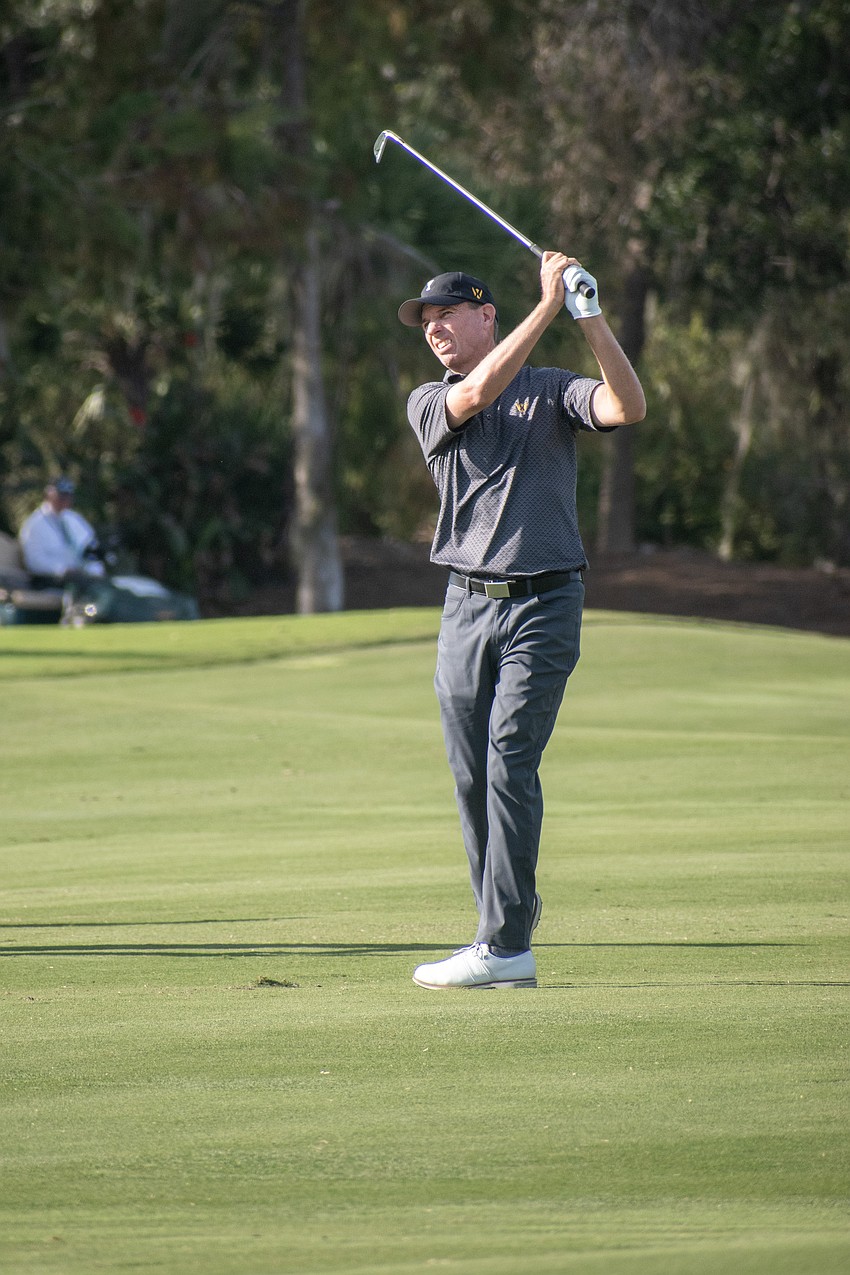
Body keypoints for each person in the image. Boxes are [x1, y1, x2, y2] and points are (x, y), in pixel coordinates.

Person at [399, 252, 646, 990]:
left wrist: (589, 315)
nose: (435, 327)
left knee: (510, 756)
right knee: (472, 774)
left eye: (448, 314)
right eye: (426, 320)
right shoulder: (427, 399)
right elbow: (475, 392)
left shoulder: (550, 391)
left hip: (544, 600)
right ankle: (502, 929)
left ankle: (505, 942)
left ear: (485, 316)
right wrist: (548, 305)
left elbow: (626, 407)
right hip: (464, 606)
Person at [18, 476, 107, 587]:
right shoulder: (34, 525)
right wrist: (61, 570)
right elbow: (34, 561)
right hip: (50, 580)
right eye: (60, 495)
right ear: (48, 495)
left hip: (80, 578)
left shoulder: (74, 519)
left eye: (68, 495)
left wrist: (96, 571)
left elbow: (90, 549)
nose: (65, 500)